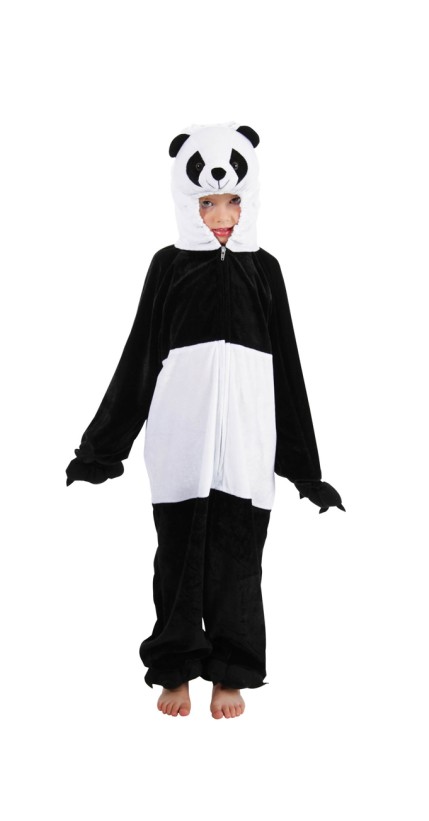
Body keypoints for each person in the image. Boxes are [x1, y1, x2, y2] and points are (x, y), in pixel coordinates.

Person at [66, 122, 345, 720]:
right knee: (177, 556)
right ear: (185, 201)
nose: (222, 216)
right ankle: (174, 668)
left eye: (234, 201)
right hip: (179, 437)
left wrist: (306, 470)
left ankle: (231, 670)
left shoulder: (265, 270)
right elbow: (139, 357)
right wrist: (101, 450)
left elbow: (288, 368)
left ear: (252, 198)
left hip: (248, 441)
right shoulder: (168, 267)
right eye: (207, 203)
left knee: (239, 562)